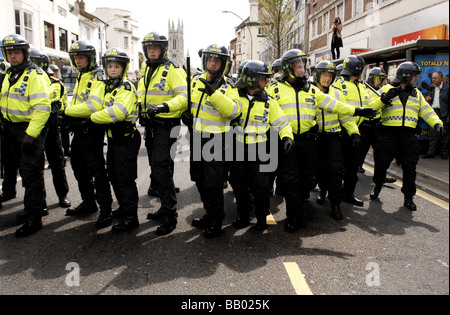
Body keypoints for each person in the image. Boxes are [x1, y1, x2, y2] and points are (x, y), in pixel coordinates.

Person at [268, 49, 377, 232]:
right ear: (288, 68)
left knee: (307, 179)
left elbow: (333, 104)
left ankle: (300, 205)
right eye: (298, 66)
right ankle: (293, 216)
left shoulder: (311, 89)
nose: (302, 70)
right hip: (287, 142)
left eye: (303, 65)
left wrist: (356, 111)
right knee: (291, 180)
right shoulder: (275, 89)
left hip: (308, 142)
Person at [369, 62, 444, 211]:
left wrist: (437, 124)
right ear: (407, 75)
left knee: (410, 168)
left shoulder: (416, 94)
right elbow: (370, 108)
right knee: (382, 164)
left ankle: (408, 197)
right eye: (415, 75)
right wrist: (383, 99)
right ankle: (377, 186)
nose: (416, 78)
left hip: (408, 137)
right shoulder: (386, 89)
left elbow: (427, 111)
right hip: (388, 134)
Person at [230, 60, 293, 230]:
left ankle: (261, 218)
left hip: (259, 150)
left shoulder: (269, 102)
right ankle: (243, 216)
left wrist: (287, 137)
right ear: (252, 79)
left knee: (262, 187)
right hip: (237, 149)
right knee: (239, 185)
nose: (267, 82)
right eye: (264, 79)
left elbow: (283, 122)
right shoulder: (234, 96)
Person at [187, 44, 241, 238]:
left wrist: (214, 93)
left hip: (217, 141)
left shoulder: (228, 87)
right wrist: (184, 115)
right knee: (199, 180)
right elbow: (187, 102)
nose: (212, 63)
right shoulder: (196, 81)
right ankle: (210, 214)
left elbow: (233, 111)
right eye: (210, 59)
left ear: (223, 64)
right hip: (197, 138)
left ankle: (217, 220)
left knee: (213, 184)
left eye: (216, 60)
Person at [0, 34, 51, 237]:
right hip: (11, 130)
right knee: (21, 172)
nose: (13, 57)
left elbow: (42, 108)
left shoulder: (35, 75)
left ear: (25, 53)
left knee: (31, 176)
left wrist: (31, 135)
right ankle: (33, 209)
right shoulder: (10, 74)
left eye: (16, 53)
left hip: (28, 130)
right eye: (9, 53)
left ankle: (34, 219)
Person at [137, 32, 188, 236]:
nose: (152, 51)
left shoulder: (172, 70)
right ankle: (164, 207)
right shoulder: (148, 70)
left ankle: (170, 215)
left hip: (166, 125)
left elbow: (184, 97)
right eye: (149, 48)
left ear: (163, 49)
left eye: (155, 48)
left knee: (161, 167)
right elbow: (141, 96)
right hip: (150, 127)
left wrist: (163, 107)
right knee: (156, 169)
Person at [90, 48, 142, 233]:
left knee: (125, 179)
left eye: (116, 66)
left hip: (126, 139)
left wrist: (92, 117)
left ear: (124, 68)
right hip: (113, 139)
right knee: (113, 175)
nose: (112, 69)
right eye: (109, 66)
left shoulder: (126, 88)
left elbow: (117, 112)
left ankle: (131, 218)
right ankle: (123, 208)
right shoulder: (108, 87)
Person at [64, 40, 113, 229]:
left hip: (91, 131)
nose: (78, 61)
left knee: (97, 170)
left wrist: (67, 112)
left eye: (81, 57)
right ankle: (88, 202)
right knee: (78, 167)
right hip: (78, 130)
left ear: (90, 58)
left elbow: (94, 106)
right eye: (75, 57)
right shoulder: (81, 76)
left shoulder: (97, 76)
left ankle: (106, 210)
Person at [313, 60, 360, 221]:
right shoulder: (309, 92)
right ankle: (321, 190)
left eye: (331, 76)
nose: (327, 79)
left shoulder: (338, 94)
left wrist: (354, 132)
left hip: (333, 137)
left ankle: (335, 204)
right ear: (318, 75)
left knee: (335, 171)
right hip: (315, 138)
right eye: (325, 75)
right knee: (318, 170)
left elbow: (345, 115)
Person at [333, 55, 381, 207]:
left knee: (352, 167)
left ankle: (348, 194)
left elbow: (370, 108)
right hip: (341, 131)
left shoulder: (361, 86)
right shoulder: (338, 85)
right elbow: (340, 110)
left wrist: (383, 100)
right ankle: (333, 196)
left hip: (357, 132)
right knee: (337, 168)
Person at [29, 49, 71, 209]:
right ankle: (40, 202)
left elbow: (52, 101)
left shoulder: (54, 83)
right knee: (34, 167)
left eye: (36, 63)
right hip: (33, 127)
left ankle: (63, 195)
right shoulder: (26, 81)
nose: (33, 66)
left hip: (51, 127)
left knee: (57, 163)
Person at [423, 71, 449, 159]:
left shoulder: (447, 88)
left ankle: (444, 152)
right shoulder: (431, 87)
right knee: (432, 133)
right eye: (432, 78)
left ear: (441, 79)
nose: (433, 80)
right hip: (433, 112)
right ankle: (430, 153)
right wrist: (427, 97)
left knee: (444, 134)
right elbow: (428, 94)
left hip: (443, 113)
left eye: (435, 78)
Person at [50, 64, 71, 157]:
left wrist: (67, 110)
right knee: (59, 137)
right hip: (56, 113)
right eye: (55, 73)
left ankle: (65, 151)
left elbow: (65, 99)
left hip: (61, 112)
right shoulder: (53, 83)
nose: (56, 74)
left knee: (64, 135)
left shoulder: (58, 83)